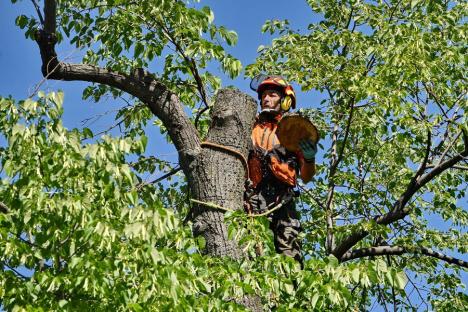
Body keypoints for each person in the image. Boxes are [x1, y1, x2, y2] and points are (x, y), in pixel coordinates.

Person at [245, 75, 317, 264]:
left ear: (285, 101)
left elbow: (307, 176)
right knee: (249, 250)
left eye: (272, 95)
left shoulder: (291, 132)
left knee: (289, 254)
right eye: (263, 96)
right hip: (252, 197)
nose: (265, 99)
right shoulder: (250, 127)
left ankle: (292, 289)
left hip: (281, 200)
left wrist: (309, 158)